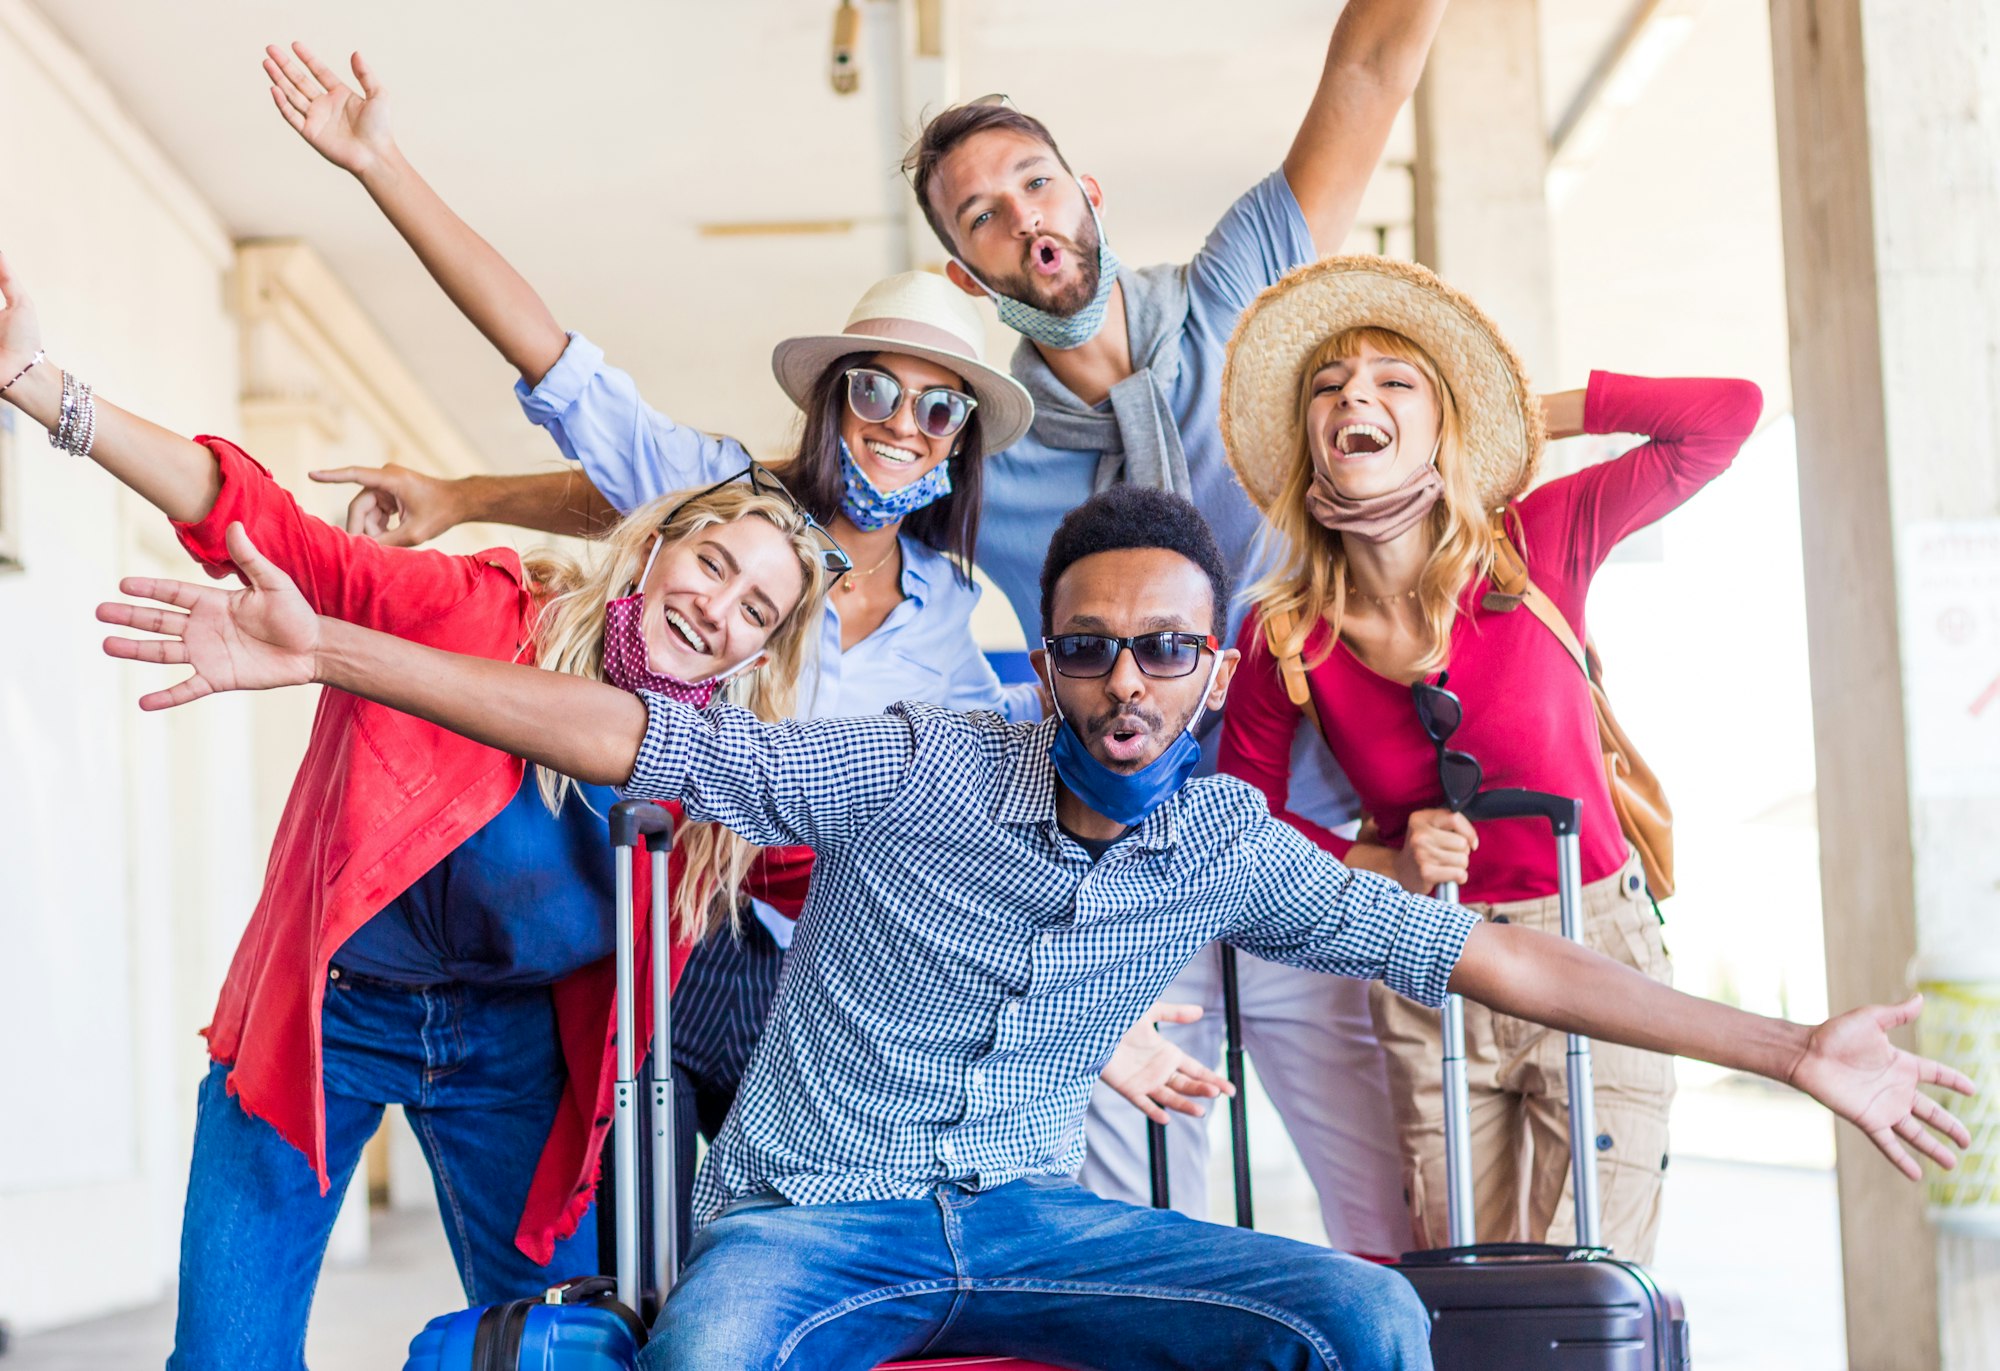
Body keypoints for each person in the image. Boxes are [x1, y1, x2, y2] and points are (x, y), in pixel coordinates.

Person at [100, 483, 1971, 1371]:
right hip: (809, 1229)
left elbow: (1494, 953)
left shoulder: (1231, 842)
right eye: (1092, 649)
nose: (1132, 682)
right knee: (696, 1363)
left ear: (1208, 664)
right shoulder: (919, 764)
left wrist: (1790, 1049)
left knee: (1362, 1314)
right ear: (1048, 663)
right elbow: (635, 731)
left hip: (1035, 1219)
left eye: (1168, 649)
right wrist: (335, 647)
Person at [270, 0, 1453, 1245]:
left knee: (1297, 1165)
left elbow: (1371, 75)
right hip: (725, 933)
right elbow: (583, 401)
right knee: (720, 1232)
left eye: (934, 410)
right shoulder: (752, 517)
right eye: (873, 392)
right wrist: (385, 183)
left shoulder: (959, 604)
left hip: (1217, 823)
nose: (899, 424)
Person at [0, 253, 835, 1366]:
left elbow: (890, 873)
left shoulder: (727, 777)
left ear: (765, 648)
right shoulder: (479, 610)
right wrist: (46, 391)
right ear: (654, 546)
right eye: (712, 563)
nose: (716, 608)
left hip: (518, 1056)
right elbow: (270, 532)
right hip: (331, 1013)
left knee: (568, 1353)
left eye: (755, 610)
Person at [1215, 253, 1766, 1261]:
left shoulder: (1536, 541)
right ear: (1310, 443)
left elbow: (1722, 415)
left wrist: (1511, 412)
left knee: (1586, 1287)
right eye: (1329, 389)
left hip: (1592, 937)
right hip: (1427, 956)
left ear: (1437, 428)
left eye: (1394, 383)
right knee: (1467, 1284)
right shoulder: (1287, 633)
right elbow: (1231, 824)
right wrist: (1369, 861)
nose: (1355, 398)